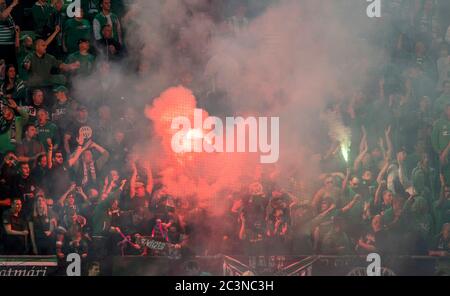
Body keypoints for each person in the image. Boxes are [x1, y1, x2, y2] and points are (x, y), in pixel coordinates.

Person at [0, 0, 19, 67]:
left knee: (11, 67)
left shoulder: (8, 13)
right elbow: (2, 17)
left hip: (10, 45)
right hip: (2, 46)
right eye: (1, 3)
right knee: (3, 68)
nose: (3, 5)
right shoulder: (3, 13)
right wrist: (12, 5)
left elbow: (11, 25)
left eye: (4, 3)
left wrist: (15, 29)